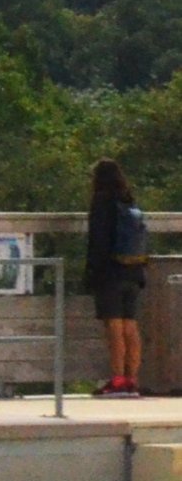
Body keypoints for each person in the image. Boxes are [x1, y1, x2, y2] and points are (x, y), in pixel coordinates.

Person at [90, 158, 149, 398]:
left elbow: (98, 241)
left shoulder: (102, 202)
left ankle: (117, 380)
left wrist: (92, 273)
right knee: (130, 325)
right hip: (134, 270)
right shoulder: (128, 199)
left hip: (110, 272)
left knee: (114, 326)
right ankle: (131, 379)